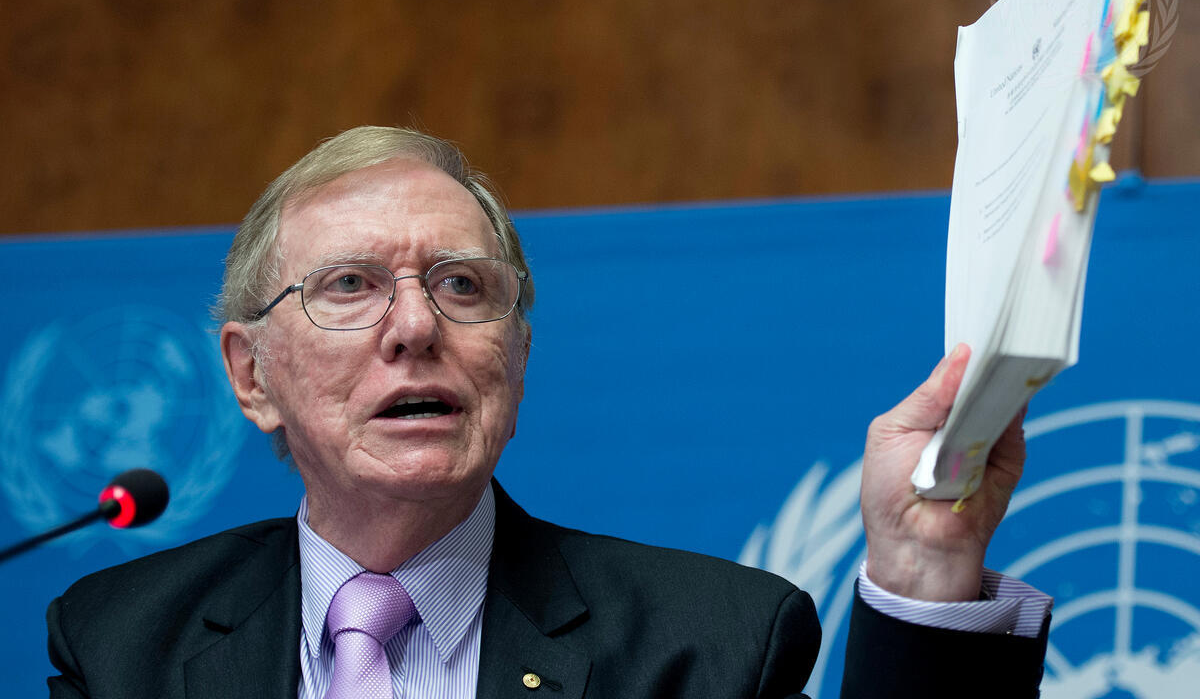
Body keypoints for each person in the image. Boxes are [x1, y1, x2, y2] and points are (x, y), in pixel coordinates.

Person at [46, 127, 1051, 698]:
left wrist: (924, 574)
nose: (415, 326)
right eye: (350, 285)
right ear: (250, 373)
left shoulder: (712, 646)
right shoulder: (122, 644)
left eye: (463, 286)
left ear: (518, 357)